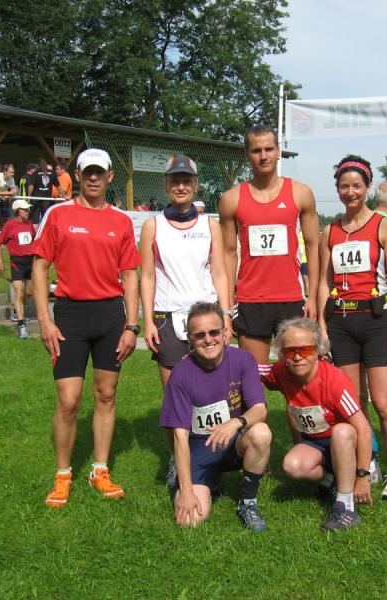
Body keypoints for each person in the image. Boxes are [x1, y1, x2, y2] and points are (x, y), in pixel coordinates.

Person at [33, 148, 141, 508]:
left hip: (110, 315)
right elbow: (39, 268)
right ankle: (63, 474)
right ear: (77, 176)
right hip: (70, 316)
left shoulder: (121, 220)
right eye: (87, 172)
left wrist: (132, 325)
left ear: (110, 177)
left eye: (100, 172)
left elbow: (130, 274)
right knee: (69, 400)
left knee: (106, 394)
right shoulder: (58, 214)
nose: (93, 178)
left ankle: (99, 469)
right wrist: (45, 320)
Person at [317, 156, 387, 501]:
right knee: (354, 403)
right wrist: (322, 325)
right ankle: (367, 463)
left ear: (368, 187)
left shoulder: (383, 226)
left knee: (384, 403)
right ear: (337, 189)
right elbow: (324, 282)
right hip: (341, 323)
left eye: (357, 185)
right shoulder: (331, 230)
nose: (350, 192)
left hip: (376, 321)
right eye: (344, 186)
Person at [139, 155, 232, 485]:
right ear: (166, 184)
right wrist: (148, 321)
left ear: (195, 184)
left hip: (206, 319)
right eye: (175, 180)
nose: (181, 186)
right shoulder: (152, 226)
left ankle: (211, 459)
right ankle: (177, 460)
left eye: (187, 180)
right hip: (168, 318)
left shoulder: (210, 226)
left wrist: (226, 314)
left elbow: (219, 273)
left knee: (212, 394)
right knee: (175, 398)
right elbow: (147, 276)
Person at [160, 302, 271, 530]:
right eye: (199, 335)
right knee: (190, 521)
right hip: (199, 450)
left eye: (214, 332)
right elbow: (179, 437)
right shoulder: (180, 375)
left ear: (225, 333)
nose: (208, 339)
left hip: (234, 442)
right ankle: (209, 482)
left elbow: (260, 409)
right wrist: (186, 491)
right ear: (190, 339)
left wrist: (235, 423)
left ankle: (248, 502)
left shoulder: (243, 360)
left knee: (261, 432)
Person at [219, 125, 320, 364]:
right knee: (253, 376)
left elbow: (313, 246)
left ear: (278, 151)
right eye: (256, 150)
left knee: (297, 376)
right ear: (247, 154)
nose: (263, 156)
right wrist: (228, 302)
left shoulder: (301, 193)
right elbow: (228, 253)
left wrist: (312, 297)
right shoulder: (231, 198)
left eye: (269, 149)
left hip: (292, 298)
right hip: (251, 300)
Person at [259, 317, 372, 531]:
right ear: (282, 354)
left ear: (318, 350)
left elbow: (364, 429)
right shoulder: (282, 372)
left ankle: (346, 506)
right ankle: (333, 479)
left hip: (349, 442)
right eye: (290, 351)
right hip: (317, 443)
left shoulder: (334, 380)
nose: (298, 357)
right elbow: (250, 369)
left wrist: (362, 476)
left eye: (306, 350)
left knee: (342, 431)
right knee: (292, 466)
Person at [0, 199, 36, 339]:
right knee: (18, 292)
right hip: (17, 262)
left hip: (30, 261)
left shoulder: (29, 224)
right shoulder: (10, 225)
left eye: (28, 209)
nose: (28, 211)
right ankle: (21, 324)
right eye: (25, 209)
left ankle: (15, 311)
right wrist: (0, 261)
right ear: (17, 211)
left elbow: (33, 240)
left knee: (29, 291)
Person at [28, 158, 61, 224]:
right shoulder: (52, 173)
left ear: (38, 165)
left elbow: (31, 185)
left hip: (36, 199)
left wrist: (28, 196)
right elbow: (58, 186)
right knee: (45, 220)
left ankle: (36, 231)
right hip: (46, 200)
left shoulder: (36, 173)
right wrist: (64, 195)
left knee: (35, 221)